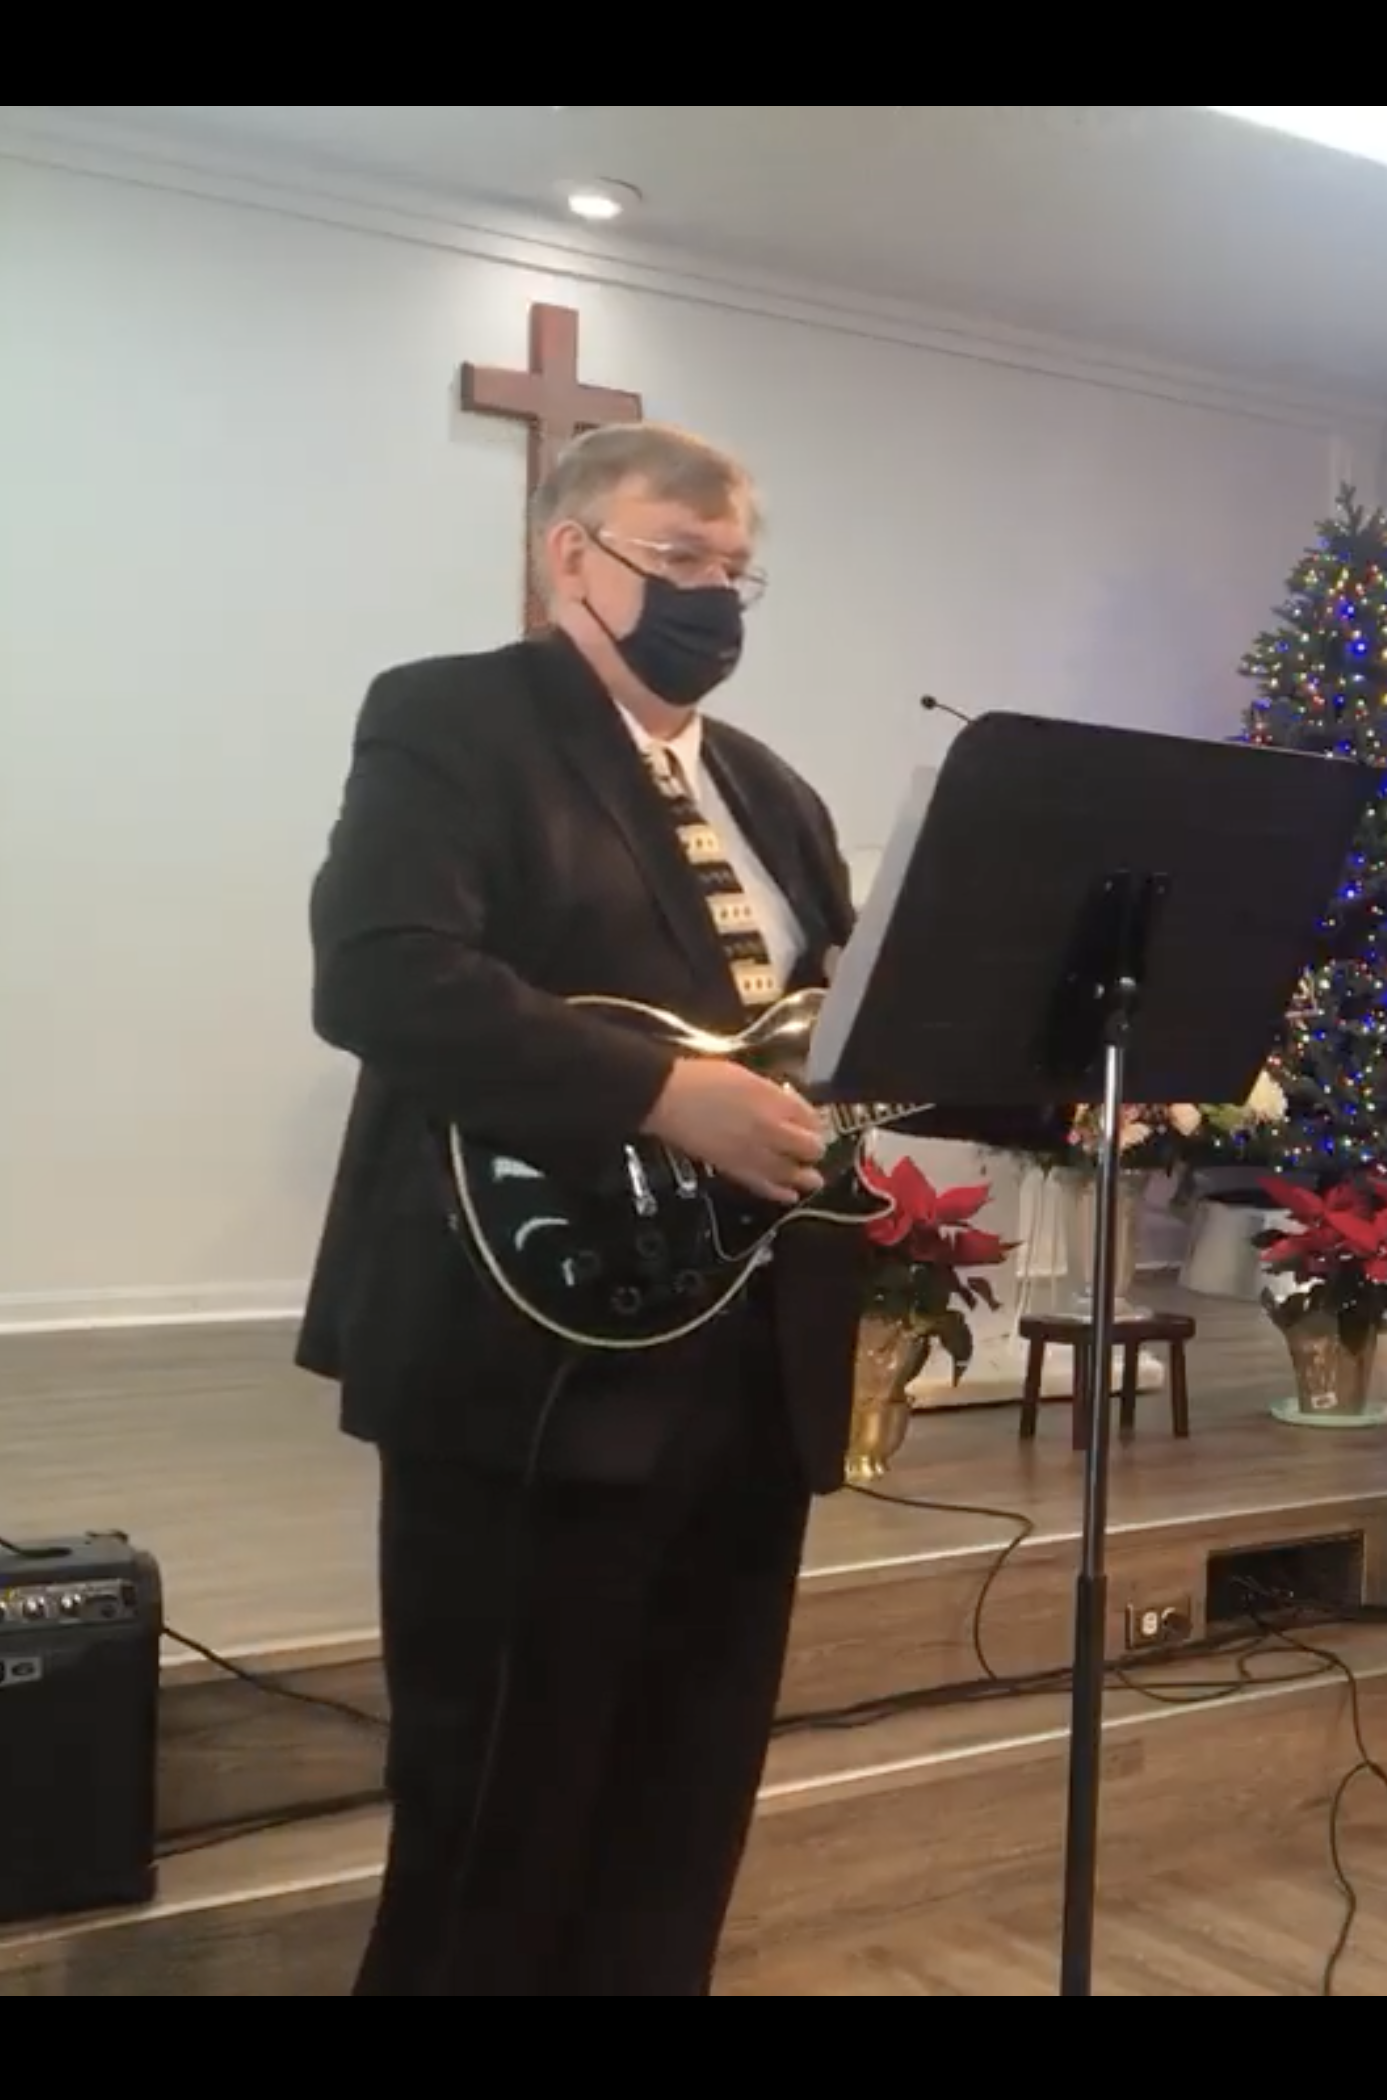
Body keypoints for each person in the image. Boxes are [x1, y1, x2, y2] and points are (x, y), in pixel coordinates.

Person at [300, 422, 1030, 1994]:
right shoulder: (454, 720)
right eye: (677, 559)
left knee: (682, 1808)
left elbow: (846, 1040)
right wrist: (659, 1093)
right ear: (572, 556)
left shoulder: (772, 791)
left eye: (734, 571)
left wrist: (1065, 1067)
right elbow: (380, 974)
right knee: (498, 1818)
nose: (712, 597)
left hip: (750, 1360)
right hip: (533, 1356)